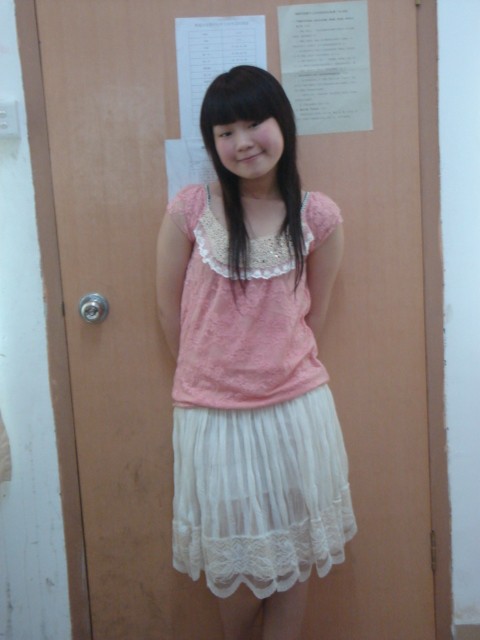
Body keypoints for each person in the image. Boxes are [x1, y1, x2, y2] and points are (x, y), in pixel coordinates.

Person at [156, 65, 357, 640]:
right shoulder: (191, 209)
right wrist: (211, 376)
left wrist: (276, 370)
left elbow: (313, 317)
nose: (242, 142)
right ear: (212, 143)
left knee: (294, 561)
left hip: (296, 412)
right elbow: (169, 312)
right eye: (225, 132)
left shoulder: (318, 217)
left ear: (282, 123)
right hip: (213, 417)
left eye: (253, 123)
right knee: (237, 575)